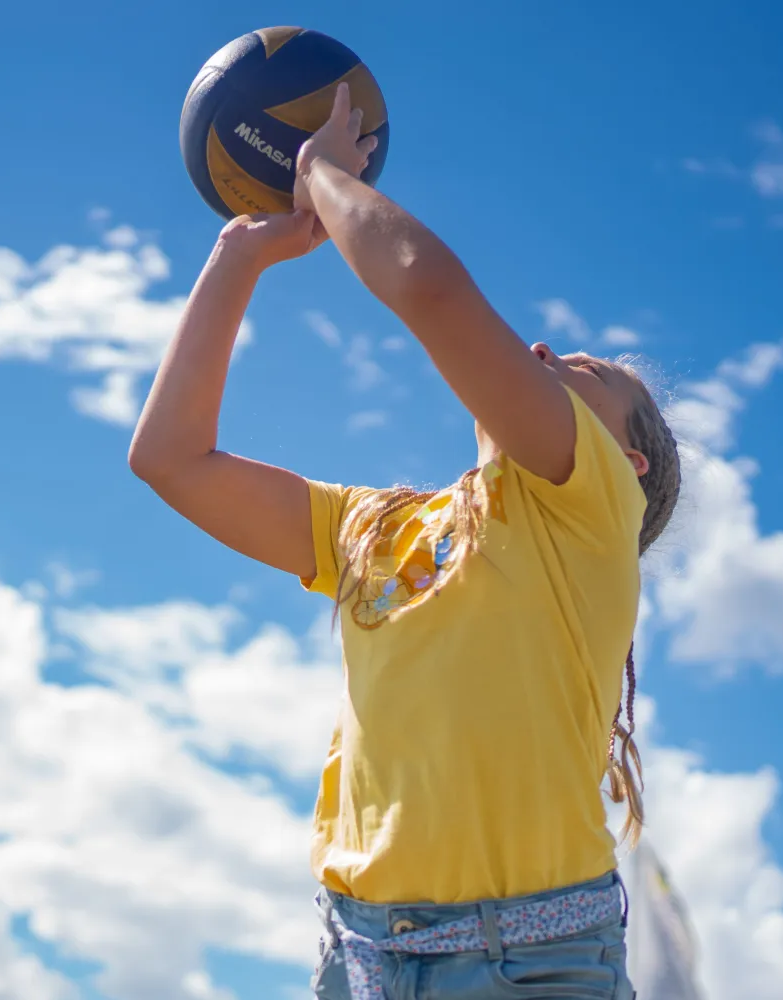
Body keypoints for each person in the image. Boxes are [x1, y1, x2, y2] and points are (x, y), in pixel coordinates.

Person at [130, 83, 681, 1000]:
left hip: (531, 962)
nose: (543, 351)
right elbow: (171, 459)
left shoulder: (588, 511)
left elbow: (425, 286)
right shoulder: (371, 526)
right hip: (358, 958)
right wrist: (239, 255)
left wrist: (319, 173)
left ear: (625, 465)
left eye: (585, 370)